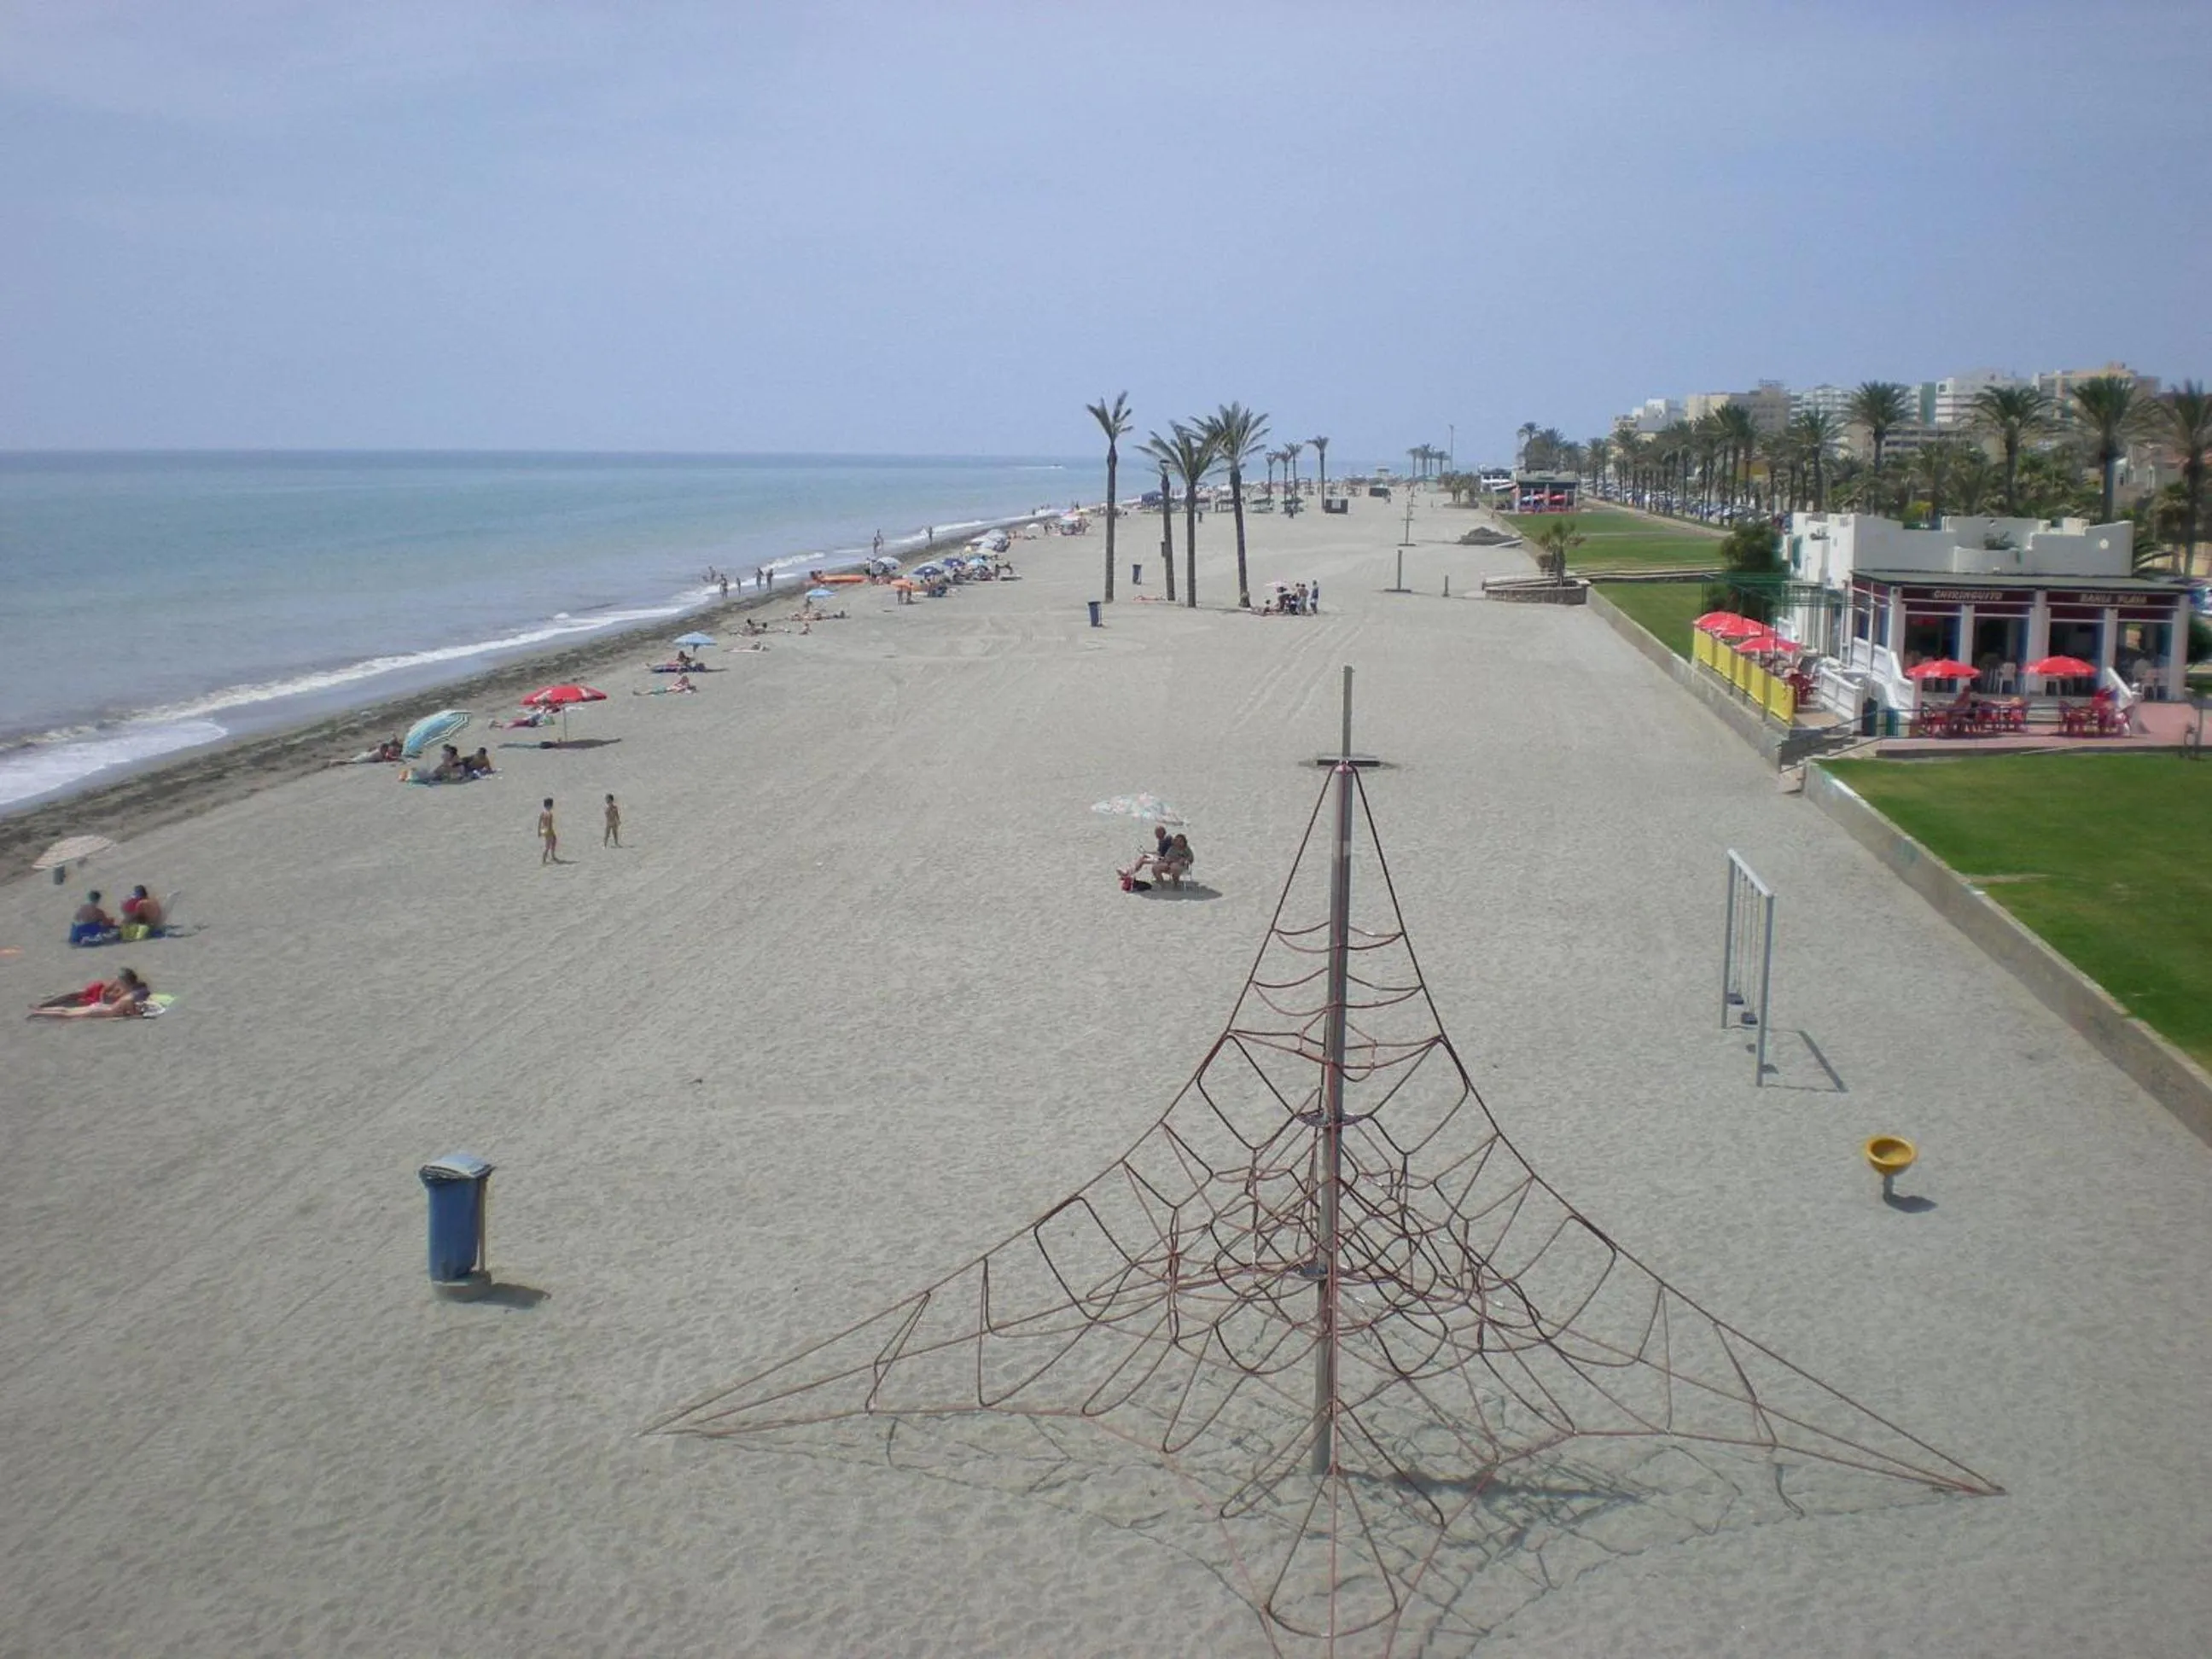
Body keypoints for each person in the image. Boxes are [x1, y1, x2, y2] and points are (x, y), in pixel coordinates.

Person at [30, 967, 149, 1018]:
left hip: (99, 1006)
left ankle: (40, 1011)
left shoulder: (126, 996)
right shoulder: (127, 997)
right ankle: (41, 1010)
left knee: (67, 1010)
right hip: (100, 1006)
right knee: (67, 1012)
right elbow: (132, 1013)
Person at [538, 797, 560, 865]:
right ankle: (544, 859)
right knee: (548, 846)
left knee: (554, 841)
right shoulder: (549, 814)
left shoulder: (542, 813)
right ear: (549, 806)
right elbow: (550, 824)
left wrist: (539, 831)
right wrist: (551, 832)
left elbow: (539, 823)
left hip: (544, 830)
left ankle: (552, 856)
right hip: (549, 831)